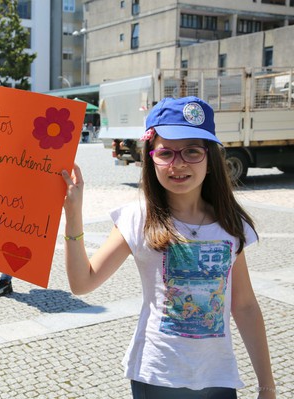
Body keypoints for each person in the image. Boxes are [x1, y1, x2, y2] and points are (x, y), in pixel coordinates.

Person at [61, 96, 276, 399]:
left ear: (211, 159)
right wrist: (73, 216)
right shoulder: (138, 217)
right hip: (157, 376)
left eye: (192, 151)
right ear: (151, 157)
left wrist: (267, 386)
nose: (178, 164)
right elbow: (82, 282)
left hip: (219, 378)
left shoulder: (231, 222)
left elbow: (244, 306)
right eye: (166, 153)